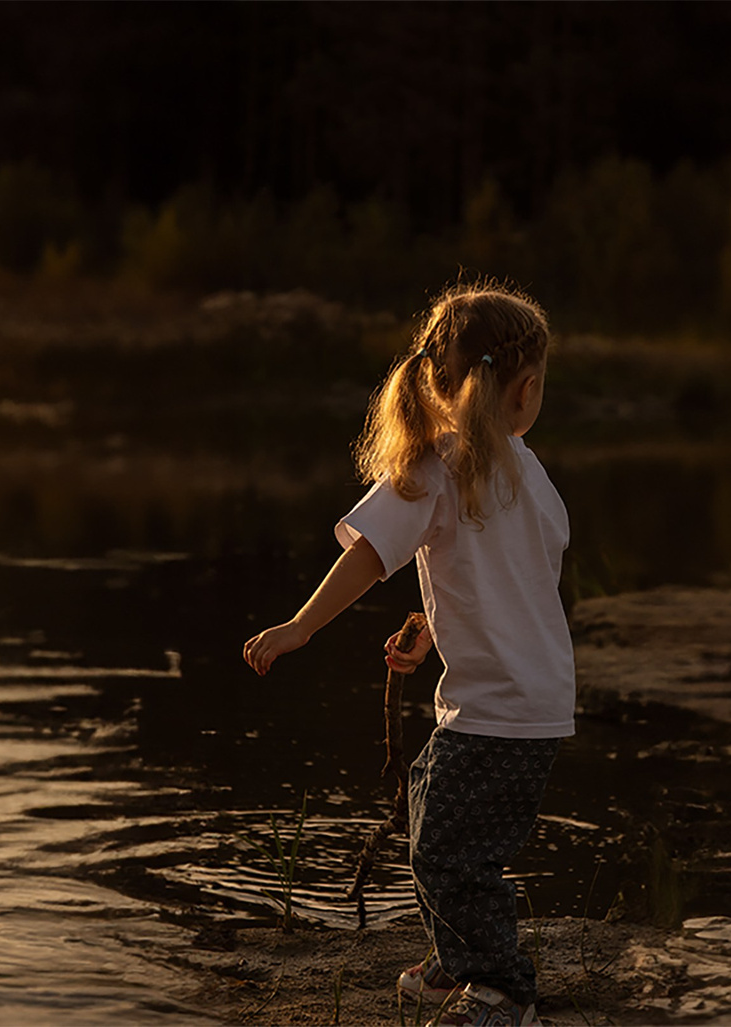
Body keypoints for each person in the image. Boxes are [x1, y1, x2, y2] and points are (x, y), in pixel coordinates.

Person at [240, 285, 571, 1027]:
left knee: (449, 849)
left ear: (437, 380)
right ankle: (459, 957)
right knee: (431, 809)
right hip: (537, 700)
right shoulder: (529, 473)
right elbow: (506, 578)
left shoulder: (438, 465)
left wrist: (301, 625)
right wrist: (430, 621)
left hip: (497, 705)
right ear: (524, 389)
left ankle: (501, 989)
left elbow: (368, 554)